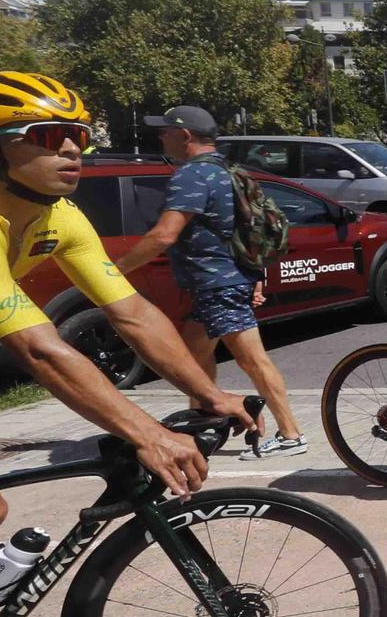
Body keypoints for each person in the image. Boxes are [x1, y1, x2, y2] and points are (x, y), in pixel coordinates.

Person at [0, 73, 217, 617]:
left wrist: (209, 397)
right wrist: (147, 432)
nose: (71, 149)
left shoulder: (60, 216)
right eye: (47, 135)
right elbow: (40, 349)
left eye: (79, 135)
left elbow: (134, 313)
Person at [116, 107, 307, 456]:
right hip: (222, 282)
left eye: (165, 132)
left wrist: (115, 269)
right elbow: (248, 229)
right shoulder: (229, 171)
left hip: (218, 283)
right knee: (193, 355)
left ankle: (290, 434)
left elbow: (164, 235)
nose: (160, 137)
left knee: (252, 360)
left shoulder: (192, 176)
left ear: (184, 136)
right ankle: (205, 417)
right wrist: (256, 275)